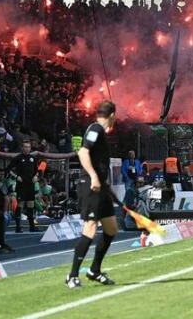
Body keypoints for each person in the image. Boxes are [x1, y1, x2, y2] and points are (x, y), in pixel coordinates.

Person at [66, 100, 119, 289]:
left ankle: (94, 270)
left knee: (112, 228)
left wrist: (106, 187)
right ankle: (72, 276)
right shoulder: (96, 129)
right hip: (90, 185)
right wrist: (94, 177)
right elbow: (82, 152)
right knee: (90, 228)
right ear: (112, 115)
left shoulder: (100, 131)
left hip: (100, 186)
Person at [6, 140, 40, 233]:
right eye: (25, 147)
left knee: (31, 204)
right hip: (21, 184)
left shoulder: (33, 158)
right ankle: (18, 227)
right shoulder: (17, 158)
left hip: (31, 184)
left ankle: (32, 226)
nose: (27, 148)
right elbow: (8, 169)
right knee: (20, 204)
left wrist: (36, 176)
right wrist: (16, 177)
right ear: (22, 148)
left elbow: (37, 170)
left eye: (28, 147)